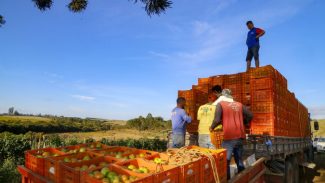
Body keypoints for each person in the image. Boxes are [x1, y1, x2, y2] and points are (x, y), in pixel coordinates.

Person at [210, 89, 253, 180]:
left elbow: (217, 120)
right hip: (240, 137)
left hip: (229, 138)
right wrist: (244, 122)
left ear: (222, 96)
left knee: (226, 162)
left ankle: (228, 180)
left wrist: (212, 127)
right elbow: (250, 115)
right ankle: (243, 179)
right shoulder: (239, 105)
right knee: (239, 160)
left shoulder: (220, 104)